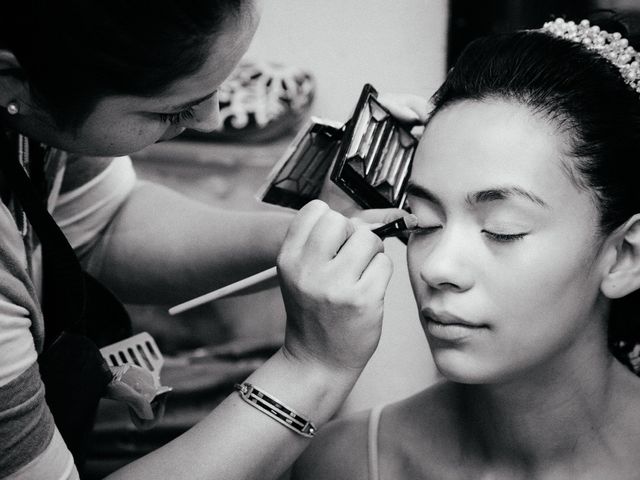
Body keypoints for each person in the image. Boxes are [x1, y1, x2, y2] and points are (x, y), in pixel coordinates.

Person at [0, 1, 429, 479]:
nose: (210, 118)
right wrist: (313, 367)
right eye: (174, 109)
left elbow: (103, 224)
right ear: (10, 83)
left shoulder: (33, 116)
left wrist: (314, 234)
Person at [292, 15, 640, 480]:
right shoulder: (348, 463)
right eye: (425, 221)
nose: (437, 267)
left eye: (502, 229)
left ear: (624, 256)